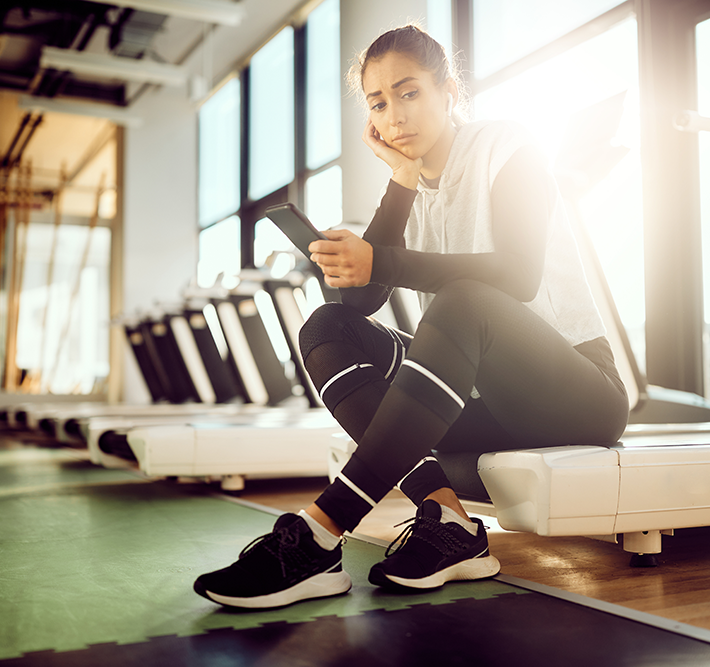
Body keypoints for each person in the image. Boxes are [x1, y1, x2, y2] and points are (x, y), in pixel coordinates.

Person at [193, 24, 629, 610]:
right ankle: (449, 523)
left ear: (448, 90)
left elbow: (519, 274)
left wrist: (379, 258)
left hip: (578, 393)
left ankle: (321, 531)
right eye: (378, 102)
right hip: (486, 402)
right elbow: (357, 305)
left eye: (409, 92)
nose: (395, 114)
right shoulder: (413, 185)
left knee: (463, 298)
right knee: (326, 327)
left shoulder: (507, 144)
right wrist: (398, 184)